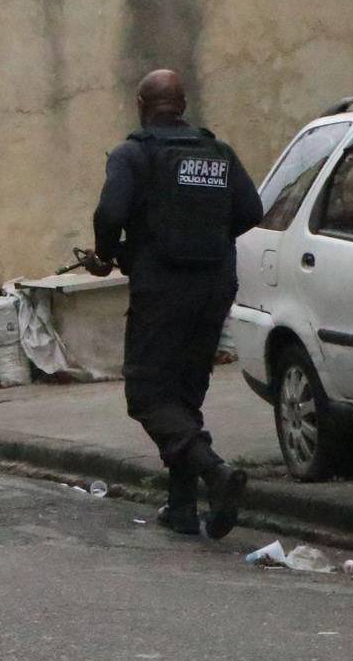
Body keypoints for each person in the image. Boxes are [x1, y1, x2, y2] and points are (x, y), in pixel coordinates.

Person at [84, 69, 263, 539]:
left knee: (146, 392)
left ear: (142, 103)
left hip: (162, 287)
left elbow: (109, 213)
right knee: (184, 393)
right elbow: (251, 211)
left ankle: (215, 472)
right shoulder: (218, 153)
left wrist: (108, 253)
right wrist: (205, 240)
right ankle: (181, 506)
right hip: (214, 286)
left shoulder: (132, 154)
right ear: (182, 104)